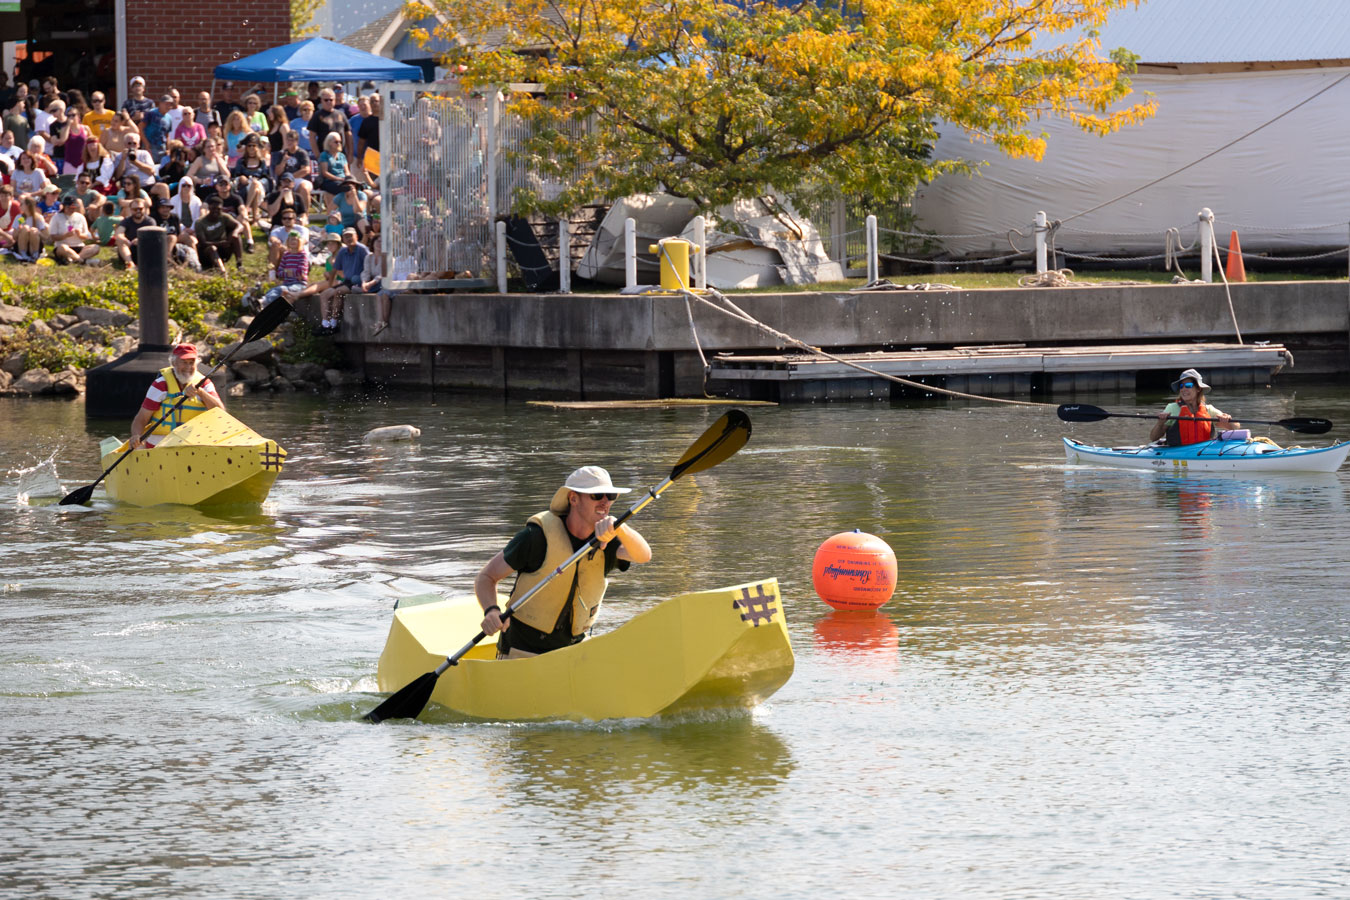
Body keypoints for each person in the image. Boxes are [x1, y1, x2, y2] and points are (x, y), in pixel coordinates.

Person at [475, 466, 651, 659]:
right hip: (522, 652)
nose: (605, 502)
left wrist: (621, 528)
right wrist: (491, 611)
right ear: (573, 499)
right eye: (597, 495)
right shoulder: (536, 537)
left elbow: (644, 556)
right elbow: (486, 577)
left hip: (574, 653)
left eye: (610, 495)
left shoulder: (608, 540)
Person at [128, 343, 225, 449]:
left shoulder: (205, 384)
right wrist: (136, 435)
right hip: (161, 445)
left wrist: (201, 392)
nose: (188, 367)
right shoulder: (160, 385)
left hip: (193, 443)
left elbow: (221, 412)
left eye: (191, 363)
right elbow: (141, 419)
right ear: (174, 363)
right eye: (184, 362)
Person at [1149, 369, 1241, 446]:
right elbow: (1154, 438)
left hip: (1203, 453)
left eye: (1188, 385)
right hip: (1178, 453)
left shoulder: (1208, 409)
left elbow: (1236, 427)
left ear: (1198, 389)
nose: (1183, 389)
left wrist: (1228, 419)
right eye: (1181, 386)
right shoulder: (1172, 408)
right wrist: (1160, 424)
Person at [192, 193, 245, 271]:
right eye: (213, 209)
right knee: (212, 248)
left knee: (236, 237)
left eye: (218, 209)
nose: (216, 211)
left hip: (223, 248)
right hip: (207, 252)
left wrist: (235, 233)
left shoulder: (224, 217)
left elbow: (240, 226)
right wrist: (220, 243)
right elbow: (203, 243)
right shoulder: (200, 222)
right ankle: (221, 270)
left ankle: (239, 264)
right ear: (209, 208)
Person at [46, 193, 100, 264]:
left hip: (79, 246)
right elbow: (53, 237)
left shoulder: (80, 217)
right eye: (69, 207)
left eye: (73, 208)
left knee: (96, 247)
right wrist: (65, 235)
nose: (71, 210)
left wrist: (80, 235)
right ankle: (83, 260)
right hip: (64, 246)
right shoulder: (56, 217)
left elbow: (86, 235)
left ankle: (74, 259)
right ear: (64, 207)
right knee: (63, 248)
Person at [113, 198, 153, 269]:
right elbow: (119, 233)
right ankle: (130, 264)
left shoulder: (150, 221)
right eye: (135, 209)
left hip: (144, 250)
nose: (138, 211)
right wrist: (124, 239)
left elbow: (152, 235)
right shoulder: (127, 220)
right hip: (128, 249)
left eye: (140, 209)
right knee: (119, 241)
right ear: (131, 210)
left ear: (144, 209)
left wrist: (140, 240)